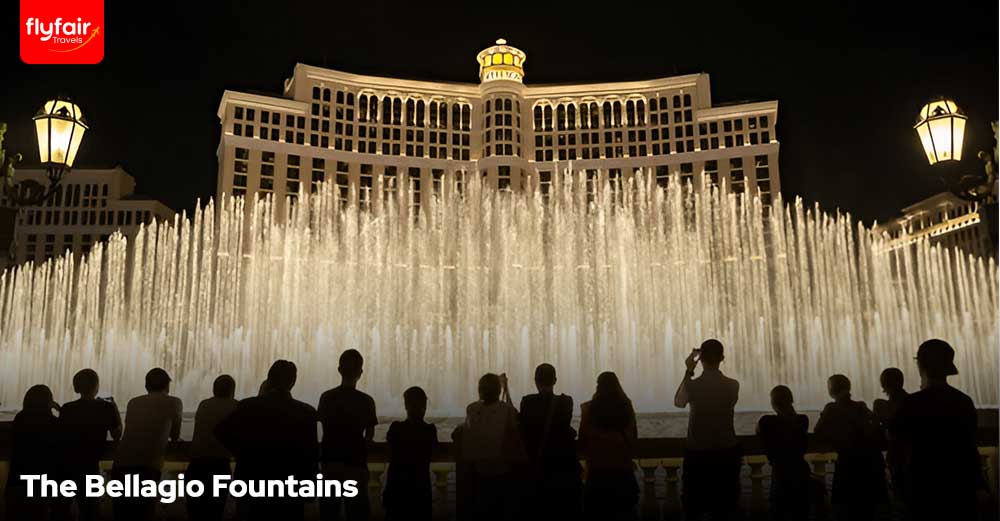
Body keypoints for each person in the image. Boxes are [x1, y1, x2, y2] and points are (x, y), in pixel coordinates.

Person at [216, 360, 319, 521]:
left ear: (269, 379)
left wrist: (242, 453)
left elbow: (221, 431)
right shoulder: (307, 412)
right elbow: (311, 454)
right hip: (290, 488)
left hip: (252, 481)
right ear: (293, 382)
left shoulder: (248, 406)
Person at [895, 339, 984, 521]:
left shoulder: (912, 404)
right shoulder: (963, 401)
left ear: (920, 365)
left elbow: (900, 446)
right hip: (960, 488)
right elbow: (969, 446)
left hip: (924, 488)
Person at [673, 339, 742, 520]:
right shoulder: (733, 385)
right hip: (726, 453)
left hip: (698, 454)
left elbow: (679, 402)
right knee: (725, 509)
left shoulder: (692, 385)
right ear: (723, 358)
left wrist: (689, 370)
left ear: (700, 359)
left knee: (693, 508)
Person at [112, 367, 183, 521]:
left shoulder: (133, 402)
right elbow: (175, 436)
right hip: (147, 466)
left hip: (120, 465)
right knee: (144, 512)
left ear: (146, 386)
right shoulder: (174, 402)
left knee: (122, 513)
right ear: (168, 386)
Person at [813, 374, 886, 521]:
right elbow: (874, 424)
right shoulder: (860, 406)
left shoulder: (831, 408)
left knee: (844, 507)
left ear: (832, 390)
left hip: (847, 463)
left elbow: (817, 431)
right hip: (867, 464)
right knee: (866, 508)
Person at [317, 349, 378, 521]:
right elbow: (370, 435)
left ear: (339, 369)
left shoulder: (327, 397)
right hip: (356, 464)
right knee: (358, 513)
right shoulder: (366, 401)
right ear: (360, 372)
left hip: (330, 464)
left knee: (328, 513)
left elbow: (323, 426)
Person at [57, 369, 122, 521]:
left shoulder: (66, 408)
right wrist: (115, 408)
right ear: (96, 386)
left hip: (65, 467)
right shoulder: (106, 407)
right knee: (90, 512)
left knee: (62, 513)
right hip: (89, 467)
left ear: (76, 387)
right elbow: (117, 435)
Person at [518, 363, 581, 518]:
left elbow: (522, 423)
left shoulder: (527, 402)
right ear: (555, 380)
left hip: (539, 468)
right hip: (563, 468)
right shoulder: (566, 402)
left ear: (535, 380)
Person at [462, 372, 524, 521]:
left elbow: (479, 408)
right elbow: (514, 415)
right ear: (499, 391)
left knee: (483, 509)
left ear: (480, 390)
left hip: (480, 470)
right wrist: (506, 388)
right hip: (502, 469)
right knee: (501, 509)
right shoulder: (506, 410)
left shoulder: (471, 409)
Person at [579, 372, 639, 521]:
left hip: (597, 475)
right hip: (623, 475)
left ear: (598, 387)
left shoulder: (588, 409)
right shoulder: (627, 407)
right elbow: (633, 438)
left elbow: (583, 440)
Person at [4, 385, 61, 521]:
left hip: (17, 480)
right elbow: (67, 431)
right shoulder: (52, 422)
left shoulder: (20, 418)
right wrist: (60, 409)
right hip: (41, 482)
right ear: (49, 401)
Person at [186, 374, 239, 521]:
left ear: (214, 389)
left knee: (195, 512)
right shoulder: (236, 406)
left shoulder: (204, 404)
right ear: (232, 391)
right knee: (215, 511)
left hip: (196, 465)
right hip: (219, 465)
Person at [382, 386, 438, 521]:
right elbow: (433, 453)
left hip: (397, 487)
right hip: (420, 487)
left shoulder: (396, 428)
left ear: (406, 405)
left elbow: (390, 453)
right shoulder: (430, 430)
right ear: (424, 406)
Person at [756, 385, 810, 521]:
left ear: (773, 403)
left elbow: (758, 430)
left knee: (779, 512)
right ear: (791, 400)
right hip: (800, 472)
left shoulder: (767, 421)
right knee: (800, 512)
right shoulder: (803, 420)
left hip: (780, 474)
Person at [872, 367, 908, 507]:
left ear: (883, 384)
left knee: (900, 498)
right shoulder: (912, 401)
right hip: (912, 455)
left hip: (896, 455)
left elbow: (876, 428)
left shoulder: (881, 405)